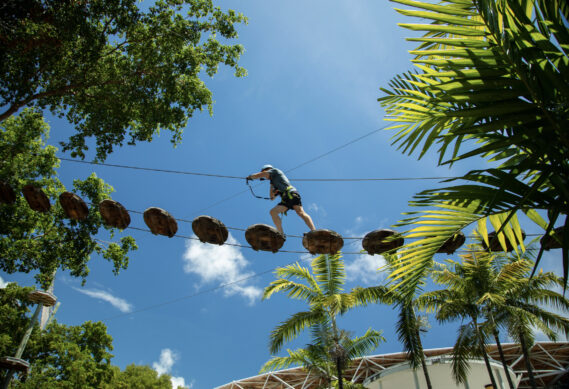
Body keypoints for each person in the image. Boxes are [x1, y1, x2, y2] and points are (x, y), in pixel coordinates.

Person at [247, 165, 315, 237]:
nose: (264, 177)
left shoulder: (274, 171)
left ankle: (313, 231)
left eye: (264, 172)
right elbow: (272, 197)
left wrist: (251, 176)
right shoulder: (274, 182)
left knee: (300, 212)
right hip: (286, 199)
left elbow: (261, 174)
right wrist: (271, 184)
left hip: (291, 193)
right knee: (273, 212)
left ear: (267, 170)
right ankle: (281, 234)